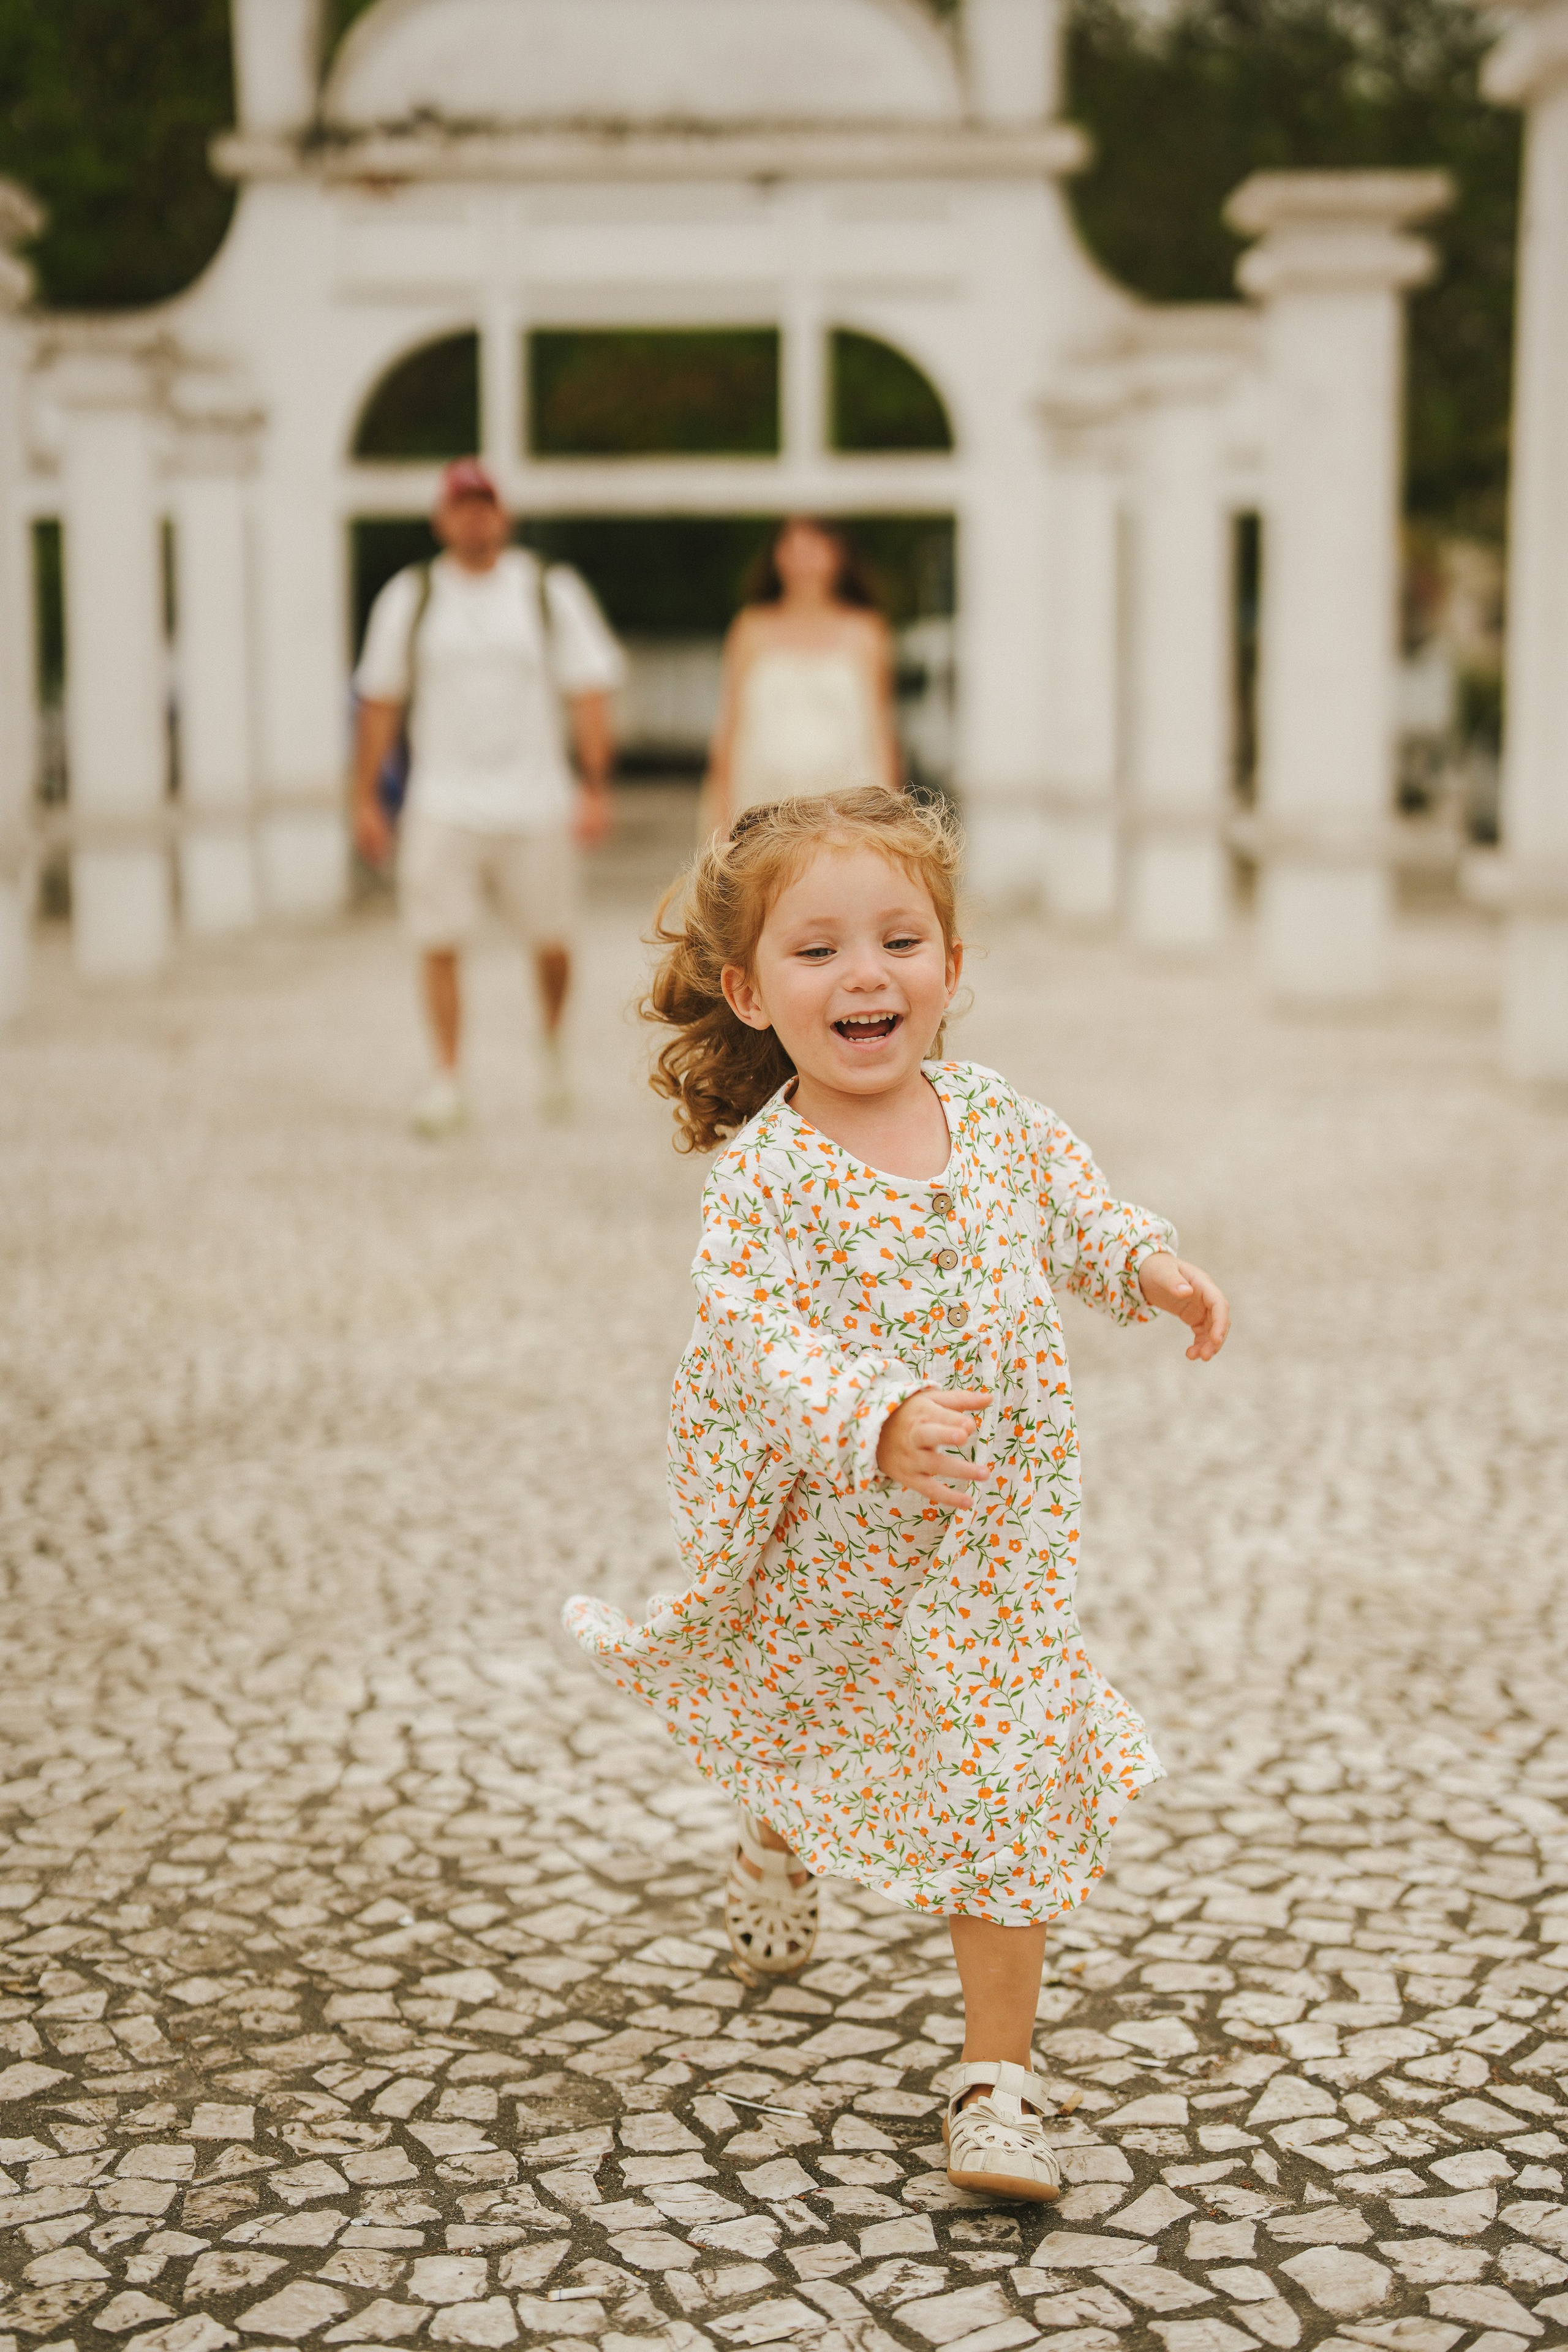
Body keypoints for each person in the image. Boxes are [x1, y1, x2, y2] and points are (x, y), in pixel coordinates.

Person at [565, 787, 1229, 2202]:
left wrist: (1145, 1265)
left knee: (1004, 1773)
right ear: (746, 991)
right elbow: (763, 1341)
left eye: (898, 938)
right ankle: (773, 1820)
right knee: (808, 1717)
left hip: (995, 1541)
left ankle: (995, 2077)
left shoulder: (995, 1116)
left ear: (949, 961)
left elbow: (1073, 1210)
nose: (864, 972)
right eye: (816, 951)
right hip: (831, 1544)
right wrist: (873, 1420)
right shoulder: (765, 1180)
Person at [352, 459, 625, 1135]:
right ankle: (448, 1076)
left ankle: (551, 1040)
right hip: (441, 800)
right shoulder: (410, 596)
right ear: (442, 517)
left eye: (485, 505)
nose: (474, 518)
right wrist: (365, 798)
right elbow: (380, 702)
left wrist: (594, 785)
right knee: (438, 940)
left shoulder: (546, 591)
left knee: (552, 941)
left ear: (503, 514)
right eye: (462, 506)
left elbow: (588, 690)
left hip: (536, 800)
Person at [703, 516, 902, 833]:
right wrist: (718, 815)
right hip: (760, 805)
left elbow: (882, 729)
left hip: (845, 807)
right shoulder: (750, 629)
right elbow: (730, 726)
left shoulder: (867, 632)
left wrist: (891, 814)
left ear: (838, 553)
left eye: (814, 546)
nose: (802, 559)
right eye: (792, 547)